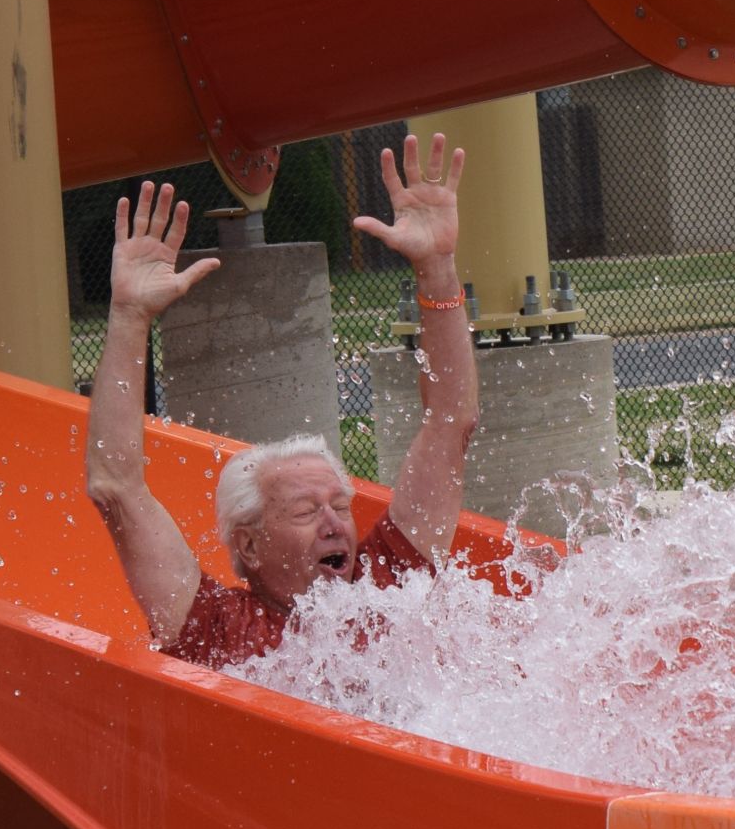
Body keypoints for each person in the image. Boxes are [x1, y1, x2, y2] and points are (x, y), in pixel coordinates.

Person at [85, 132, 478, 667]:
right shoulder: (214, 629)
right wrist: (129, 317)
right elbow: (116, 488)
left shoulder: (391, 579)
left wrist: (438, 269)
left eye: (339, 506)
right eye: (303, 510)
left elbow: (452, 420)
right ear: (248, 546)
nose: (334, 522)